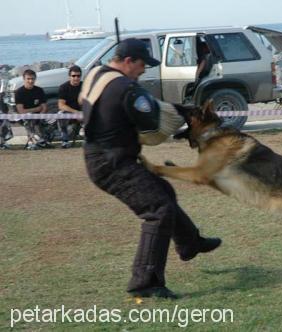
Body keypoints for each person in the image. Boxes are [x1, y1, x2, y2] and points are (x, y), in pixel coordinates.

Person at [81, 38, 221, 299]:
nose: (144, 69)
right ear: (128, 61)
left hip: (100, 156)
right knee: (158, 210)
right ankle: (145, 283)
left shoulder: (97, 74)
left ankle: (190, 242)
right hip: (112, 163)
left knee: (162, 190)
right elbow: (153, 123)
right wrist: (184, 114)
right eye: (142, 64)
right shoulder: (126, 88)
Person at [15, 69, 50, 149]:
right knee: (29, 118)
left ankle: (42, 139)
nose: (30, 81)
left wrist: (41, 115)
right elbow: (21, 111)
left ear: (35, 79)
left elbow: (44, 107)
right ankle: (35, 140)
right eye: (28, 79)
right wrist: (37, 109)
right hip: (25, 117)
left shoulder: (39, 90)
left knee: (54, 118)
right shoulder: (19, 92)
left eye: (32, 79)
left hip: (39, 115)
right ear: (24, 79)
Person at [57, 65, 83, 148]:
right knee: (61, 114)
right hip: (70, 113)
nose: (76, 78)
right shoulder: (63, 87)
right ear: (69, 76)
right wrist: (76, 112)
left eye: (78, 76)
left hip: (83, 112)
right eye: (73, 76)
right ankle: (64, 140)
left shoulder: (85, 86)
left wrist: (83, 112)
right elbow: (61, 105)